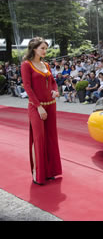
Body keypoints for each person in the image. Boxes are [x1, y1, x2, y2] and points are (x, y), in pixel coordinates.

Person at [20, 37, 62, 185]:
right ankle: (38, 174)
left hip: (51, 105)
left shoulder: (46, 65)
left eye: (45, 48)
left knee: (51, 139)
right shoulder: (26, 65)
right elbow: (27, 87)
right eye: (42, 48)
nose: (45, 51)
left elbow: (53, 83)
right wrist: (38, 107)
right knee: (38, 139)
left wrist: (56, 92)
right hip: (36, 107)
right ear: (34, 48)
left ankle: (50, 171)